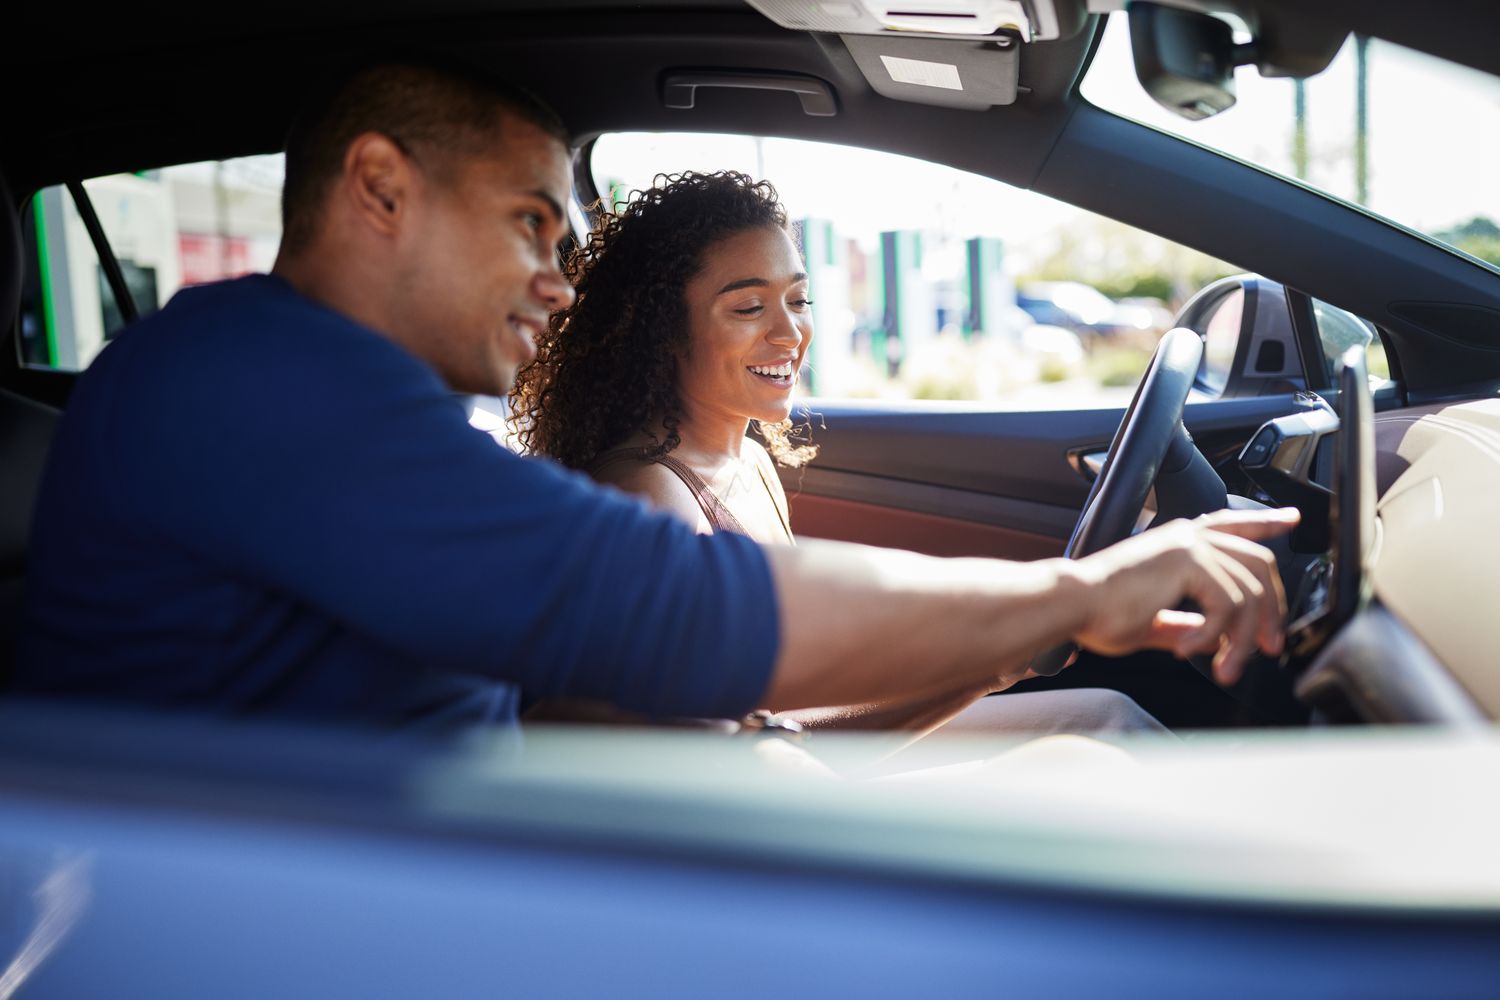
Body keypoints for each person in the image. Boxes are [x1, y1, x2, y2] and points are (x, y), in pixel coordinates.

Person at [14, 58, 1297, 735]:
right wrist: (1073, 596)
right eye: (531, 225)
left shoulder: (350, 398)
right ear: (381, 188)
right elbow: (676, 605)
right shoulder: (256, 386)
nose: (556, 280)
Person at [509, 170, 1166, 748]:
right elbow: (728, 764)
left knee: (1104, 716)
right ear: (663, 334)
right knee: (1101, 734)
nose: (790, 332)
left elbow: (782, 696)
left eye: (798, 300)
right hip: (749, 813)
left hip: (782, 759)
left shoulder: (746, 459)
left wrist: (989, 641)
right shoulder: (652, 497)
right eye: (749, 307)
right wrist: (981, 667)